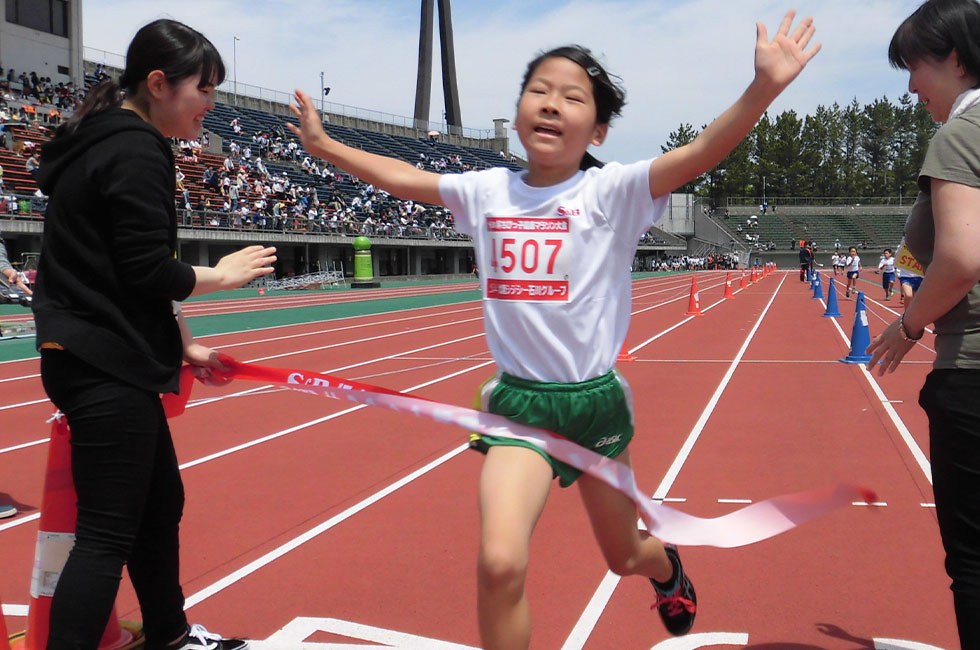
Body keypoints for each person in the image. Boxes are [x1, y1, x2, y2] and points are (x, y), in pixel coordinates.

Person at [289, 10, 817, 647]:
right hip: (520, 408)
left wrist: (763, 89)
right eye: (537, 90)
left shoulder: (611, 193)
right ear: (516, 115)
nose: (549, 103)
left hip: (592, 405)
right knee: (499, 563)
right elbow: (404, 178)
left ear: (595, 128)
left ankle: (666, 567)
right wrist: (324, 148)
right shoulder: (486, 191)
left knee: (624, 556)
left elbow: (701, 152)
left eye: (571, 97)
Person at [32, 19, 276, 650]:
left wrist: (184, 343)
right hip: (103, 363)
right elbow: (148, 269)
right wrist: (223, 275)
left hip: (100, 354)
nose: (211, 105)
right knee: (108, 533)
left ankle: (170, 634)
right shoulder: (137, 149)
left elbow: (124, 270)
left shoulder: (102, 140)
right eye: (205, 89)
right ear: (160, 83)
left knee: (158, 504)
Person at [866, 1, 980, 646]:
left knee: (974, 560)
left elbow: (962, 258)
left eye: (917, 67)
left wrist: (906, 328)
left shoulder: (962, 134)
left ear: (957, 59)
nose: (911, 86)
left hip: (974, 371)